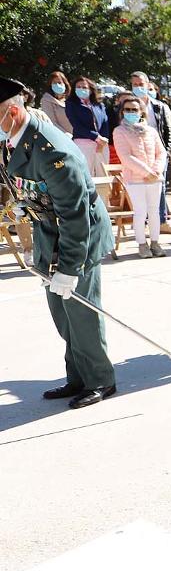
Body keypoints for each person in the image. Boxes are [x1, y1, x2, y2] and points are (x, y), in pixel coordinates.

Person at [1, 77, 116, 408]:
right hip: (49, 230)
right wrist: (19, 202)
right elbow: (17, 179)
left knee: (80, 309)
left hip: (78, 235)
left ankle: (100, 380)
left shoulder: (53, 151)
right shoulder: (15, 136)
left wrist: (70, 267)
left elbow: (75, 216)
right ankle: (77, 376)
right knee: (61, 311)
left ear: (12, 111)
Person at [112, 94, 167, 258]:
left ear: (141, 112)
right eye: (127, 109)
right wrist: (147, 172)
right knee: (140, 212)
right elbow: (126, 157)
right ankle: (142, 244)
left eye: (134, 109)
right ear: (122, 112)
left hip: (155, 178)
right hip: (134, 180)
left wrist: (156, 171)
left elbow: (161, 152)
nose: (131, 112)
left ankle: (155, 243)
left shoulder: (151, 131)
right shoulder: (119, 131)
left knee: (154, 212)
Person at [130, 72, 171, 235]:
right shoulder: (129, 108)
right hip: (138, 155)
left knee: (160, 187)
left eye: (141, 84)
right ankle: (143, 223)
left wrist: (165, 151)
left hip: (158, 154)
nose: (138, 87)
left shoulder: (160, 107)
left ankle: (162, 221)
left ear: (147, 84)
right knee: (140, 187)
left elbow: (170, 130)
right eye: (135, 85)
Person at [64, 76, 110, 176]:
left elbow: (105, 123)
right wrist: (96, 137)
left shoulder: (99, 105)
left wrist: (103, 140)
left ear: (90, 89)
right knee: (86, 174)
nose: (81, 89)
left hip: (102, 144)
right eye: (78, 87)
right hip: (83, 143)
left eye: (84, 87)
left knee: (103, 174)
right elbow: (76, 125)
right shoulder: (71, 104)